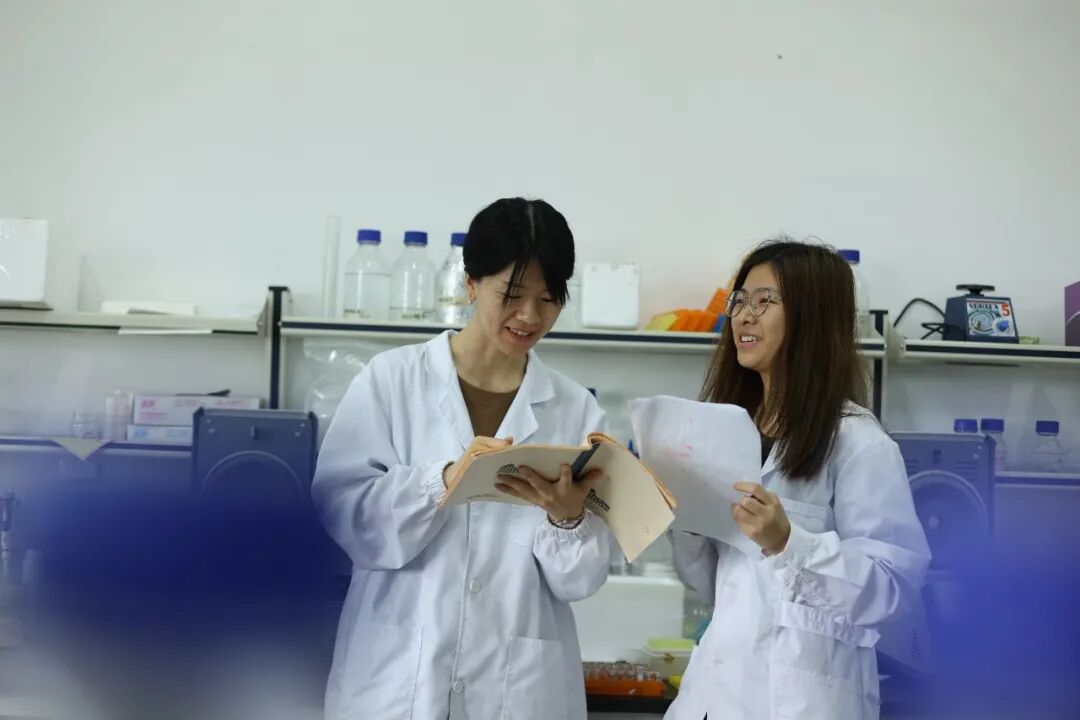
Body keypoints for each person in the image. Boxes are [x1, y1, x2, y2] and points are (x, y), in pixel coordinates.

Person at [312, 197, 610, 720]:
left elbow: (581, 581)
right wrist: (443, 481)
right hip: (398, 681)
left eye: (548, 299)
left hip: (519, 689)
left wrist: (567, 520)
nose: (530, 316)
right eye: (512, 295)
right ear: (470, 283)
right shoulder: (392, 381)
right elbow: (344, 516)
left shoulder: (576, 410)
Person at [665, 239, 931, 720]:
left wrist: (790, 543)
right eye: (740, 300)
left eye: (764, 301)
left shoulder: (858, 442)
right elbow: (717, 586)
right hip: (712, 697)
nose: (744, 316)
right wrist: (683, 520)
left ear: (812, 318)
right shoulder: (730, 431)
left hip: (803, 703)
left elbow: (892, 593)